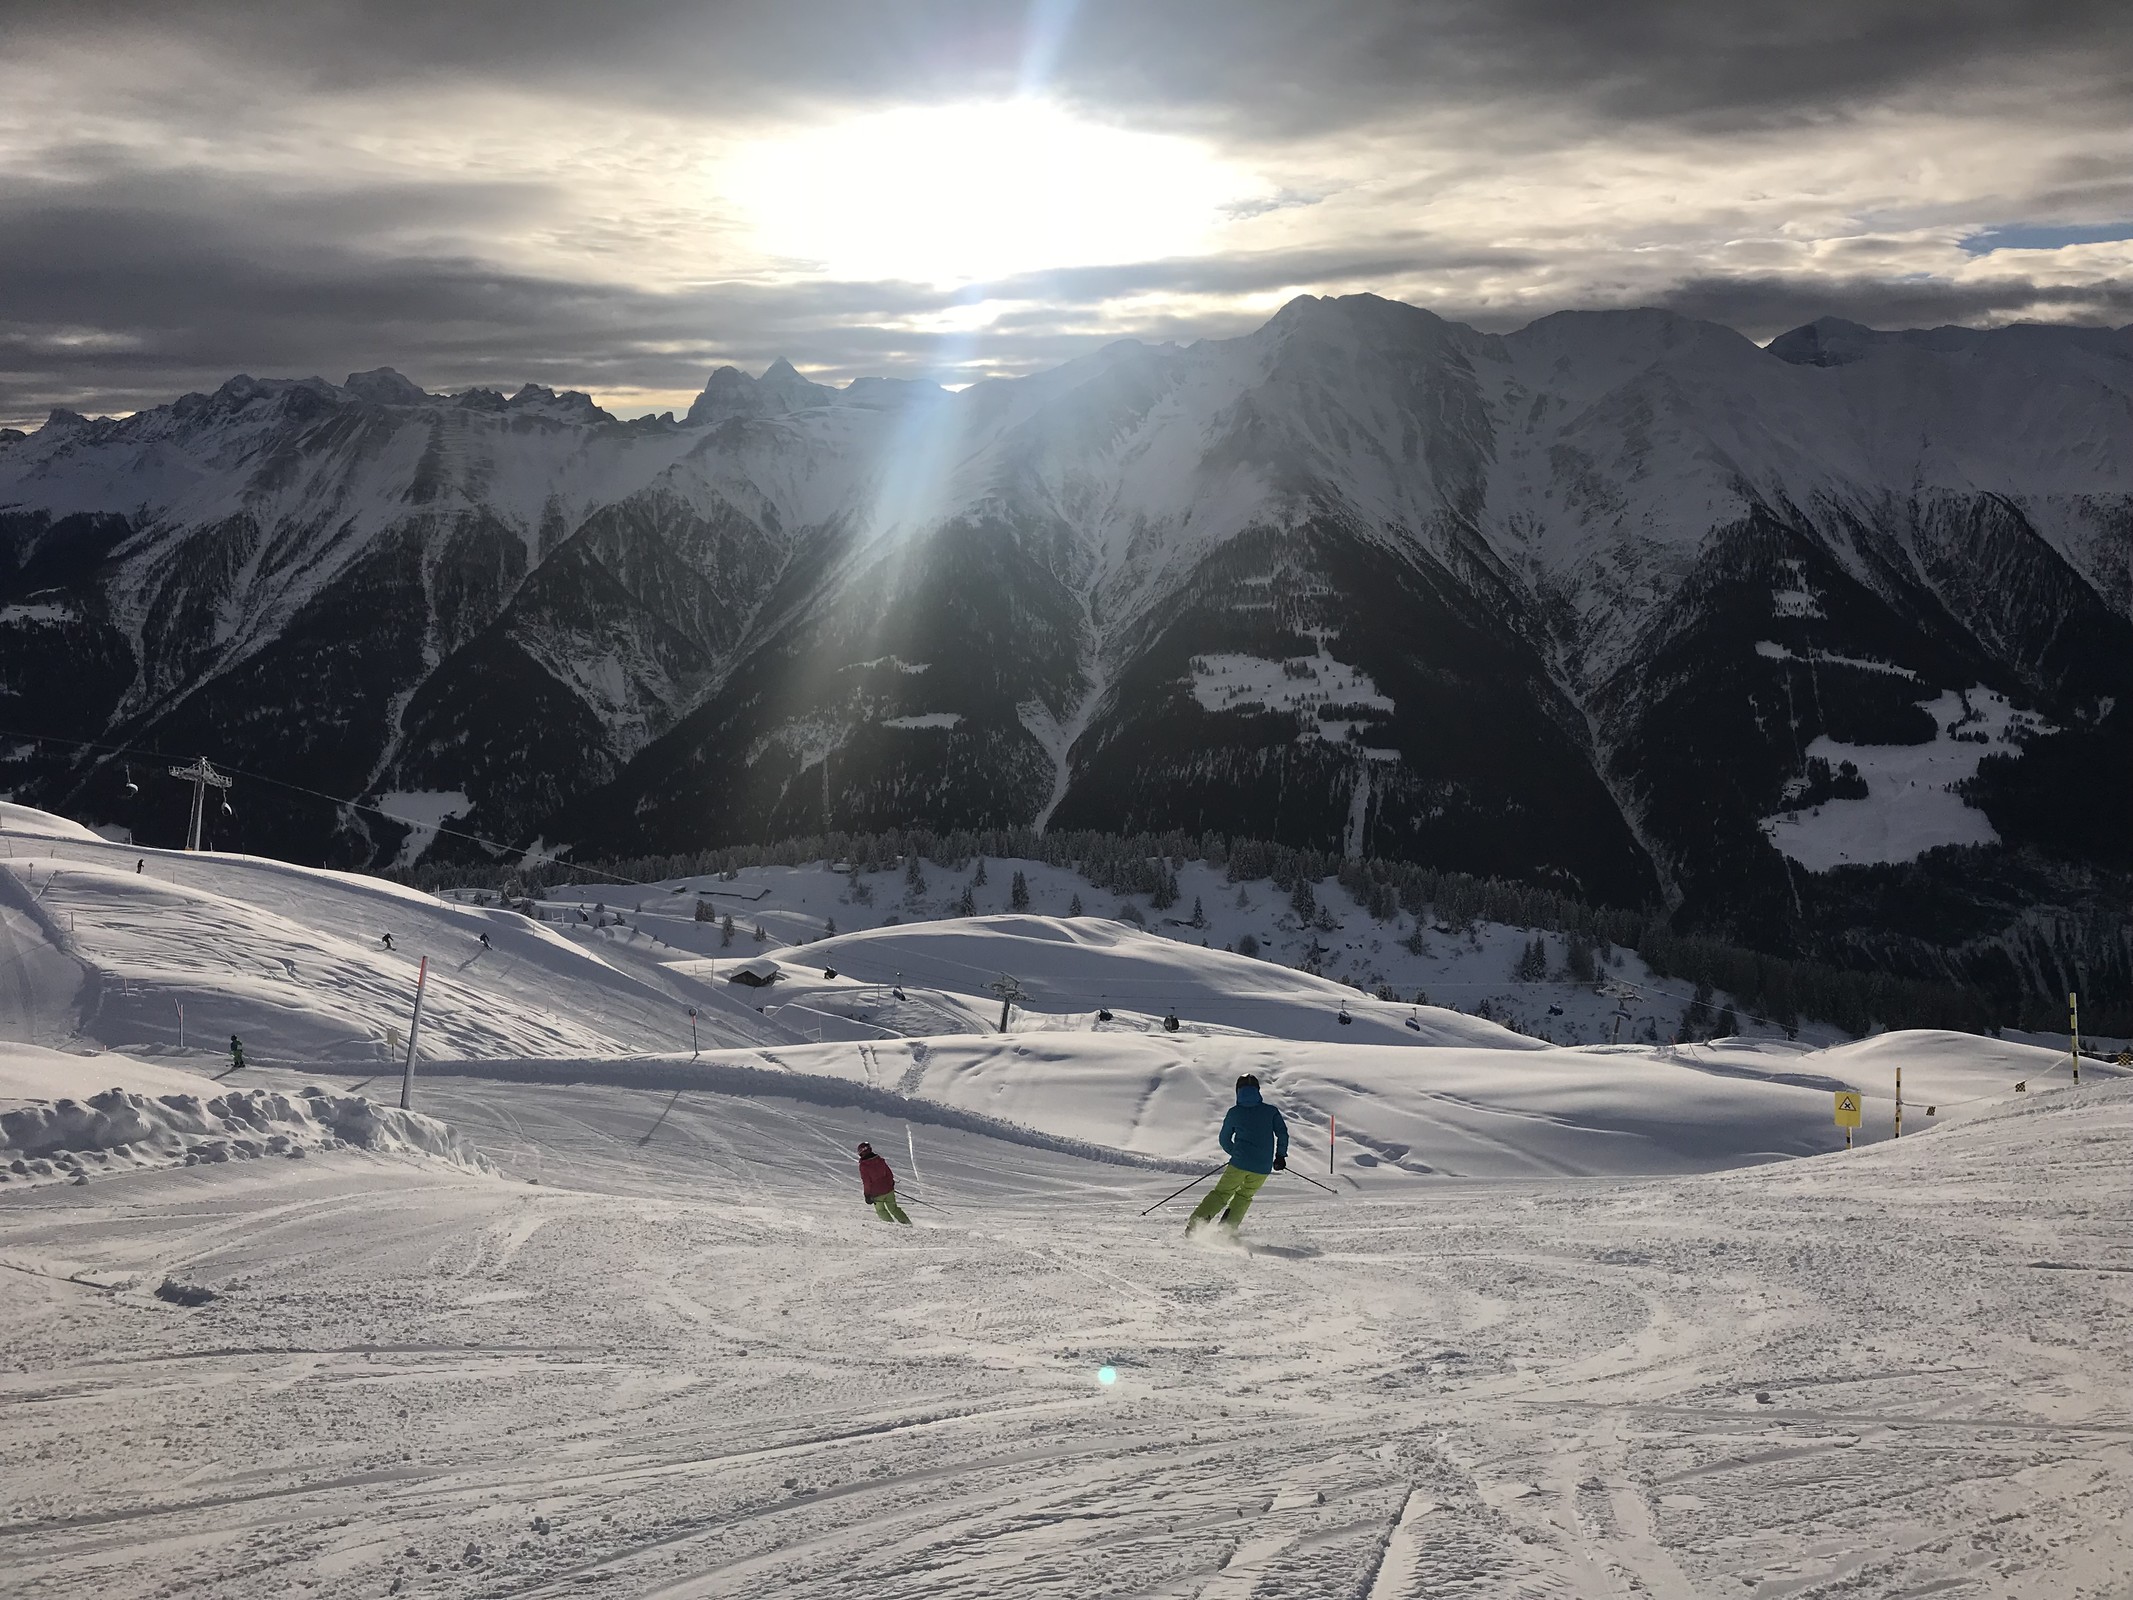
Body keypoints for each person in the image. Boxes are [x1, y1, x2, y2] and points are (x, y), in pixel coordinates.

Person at [1187, 1074, 1289, 1236]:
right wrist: (1280, 1156)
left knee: (1221, 1193)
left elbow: (1224, 1139)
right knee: (1244, 1196)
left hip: (1239, 1163)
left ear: (1238, 1091)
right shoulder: (1271, 1111)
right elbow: (1282, 1134)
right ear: (1257, 1090)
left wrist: (1236, 1153)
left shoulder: (1234, 1113)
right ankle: (1226, 1230)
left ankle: (1195, 1227)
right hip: (1262, 1167)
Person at [856, 1141, 911, 1224]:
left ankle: (890, 1225)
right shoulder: (879, 1160)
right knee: (893, 1208)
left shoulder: (864, 1166)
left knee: (881, 1210)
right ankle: (907, 1223)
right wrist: (890, 1183)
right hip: (888, 1190)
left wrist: (867, 1195)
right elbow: (889, 1173)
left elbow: (867, 1182)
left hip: (877, 1194)